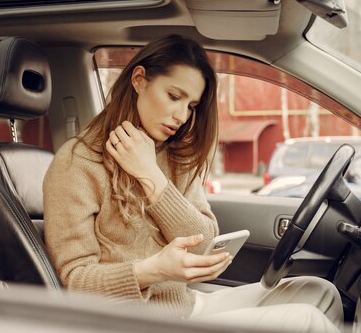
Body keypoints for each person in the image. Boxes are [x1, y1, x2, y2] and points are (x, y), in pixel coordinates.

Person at [43, 35, 342, 332]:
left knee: (320, 292)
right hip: (134, 322)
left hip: (184, 307)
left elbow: (202, 244)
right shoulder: (77, 164)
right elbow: (75, 282)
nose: (182, 116)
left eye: (192, 105)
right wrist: (153, 271)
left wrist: (152, 176)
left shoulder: (173, 156)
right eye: (174, 96)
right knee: (308, 322)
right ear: (139, 80)